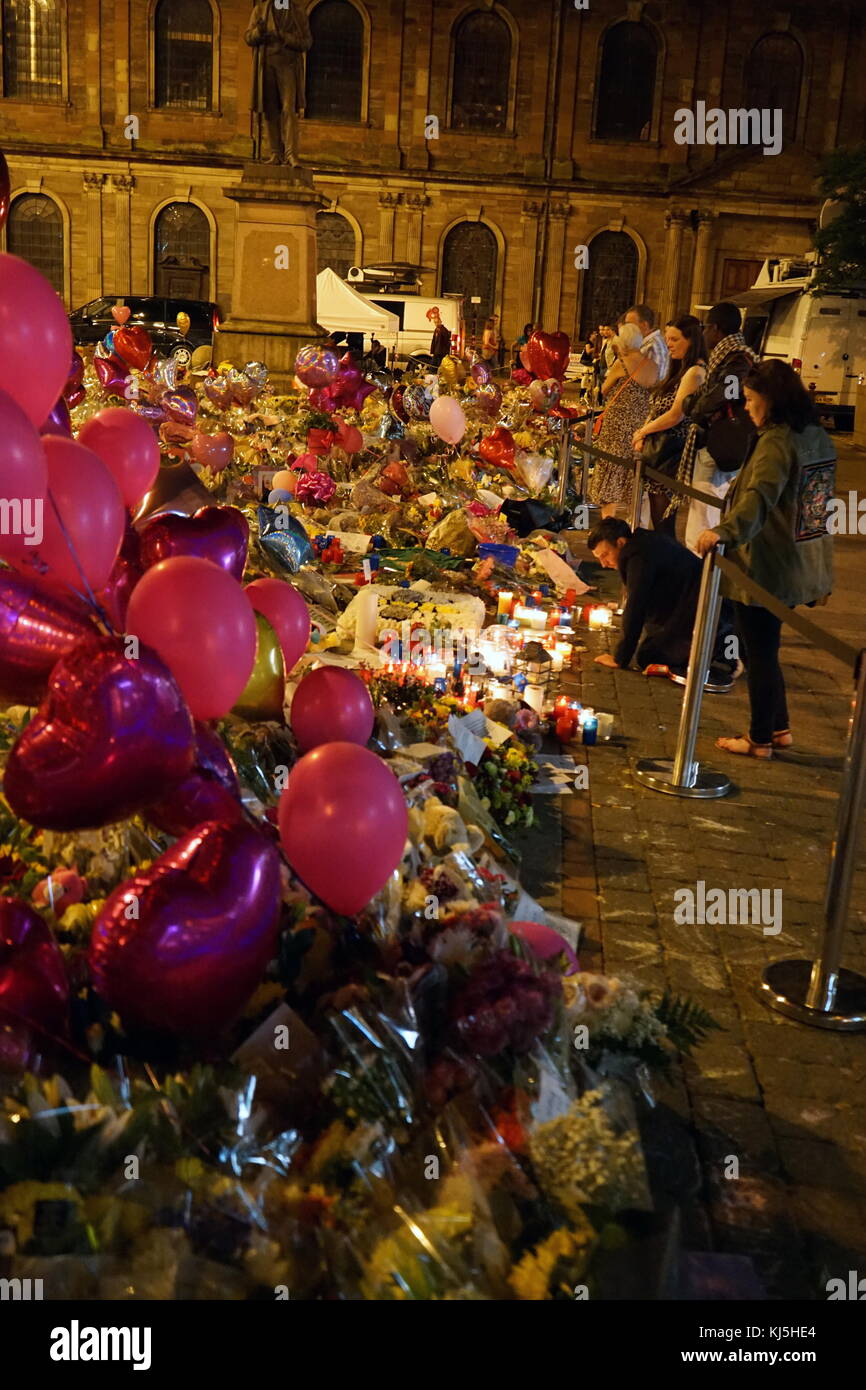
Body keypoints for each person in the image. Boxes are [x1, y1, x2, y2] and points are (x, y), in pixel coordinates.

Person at [695, 360, 835, 759]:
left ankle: (759, 739)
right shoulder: (815, 434)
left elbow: (759, 497)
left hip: (768, 562)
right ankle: (779, 728)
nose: (746, 410)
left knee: (757, 651)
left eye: (752, 401)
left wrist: (723, 532)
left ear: (771, 400)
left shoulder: (777, 441)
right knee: (767, 647)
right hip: (802, 558)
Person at [588, 517, 736, 679]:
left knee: (649, 656)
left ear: (621, 543)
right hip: (691, 603)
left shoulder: (638, 556)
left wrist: (620, 658)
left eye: (605, 555)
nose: (603, 564)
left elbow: (636, 605)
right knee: (653, 643)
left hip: (702, 607)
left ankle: (721, 653)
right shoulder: (642, 542)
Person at [676, 302, 759, 553]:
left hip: (720, 443)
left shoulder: (737, 358)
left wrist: (693, 405)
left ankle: (701, 571)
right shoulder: (729, 356)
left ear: (716, 328)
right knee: (702, 507)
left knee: (705, 509)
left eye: (705, 327)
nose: (703, 333)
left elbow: (725, 393)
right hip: (716, 441)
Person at [632, 314, 706, 536]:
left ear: (691, 340)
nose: (668, 344)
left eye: (674, 339)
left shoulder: (695, 371)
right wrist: (642, 434)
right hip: (659, 452)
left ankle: (668, 562)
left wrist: (643, 431)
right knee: (658, 515)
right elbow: (658, 408)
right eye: (667, 338)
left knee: (664, 518)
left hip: (670, 453)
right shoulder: (680, 369)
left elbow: (676, 414)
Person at [587, 322, 658, 516]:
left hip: (617, 424)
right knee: (630, 473)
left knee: (610, 473)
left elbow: (604, 389)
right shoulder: (651, 364)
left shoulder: (622, 362)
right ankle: (632, 522)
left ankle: (608, 522)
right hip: (639, 424)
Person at [245, 0, 313, 166]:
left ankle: (291, 154)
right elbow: (248, 37)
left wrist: (284, 36)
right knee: (270, 111)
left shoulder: (298, 12)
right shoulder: (260, 10)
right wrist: (259, 32)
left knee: (288, 109)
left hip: (288, 66)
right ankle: (275, 153)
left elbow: (307, 42)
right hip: (265, 65)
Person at [625, 304, 670, 382]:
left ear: (644, 325)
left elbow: (657, 380)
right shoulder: (644, 343)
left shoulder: (654, 346)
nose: (626, 329)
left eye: (629, 325)